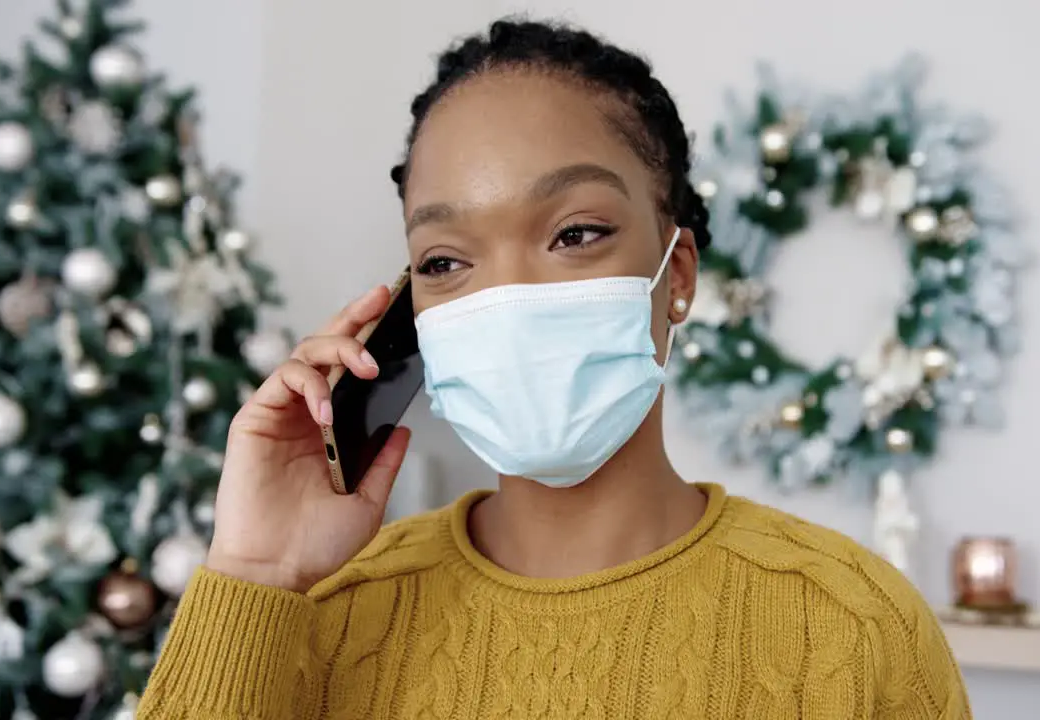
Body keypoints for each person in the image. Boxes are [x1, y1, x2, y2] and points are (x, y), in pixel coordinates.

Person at [137, 19, 971, 720]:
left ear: (676, 274)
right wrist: (255, 573)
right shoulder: (317, 618)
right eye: (444, 260)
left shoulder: (853, 626)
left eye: (574, 234)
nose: (507, 296)